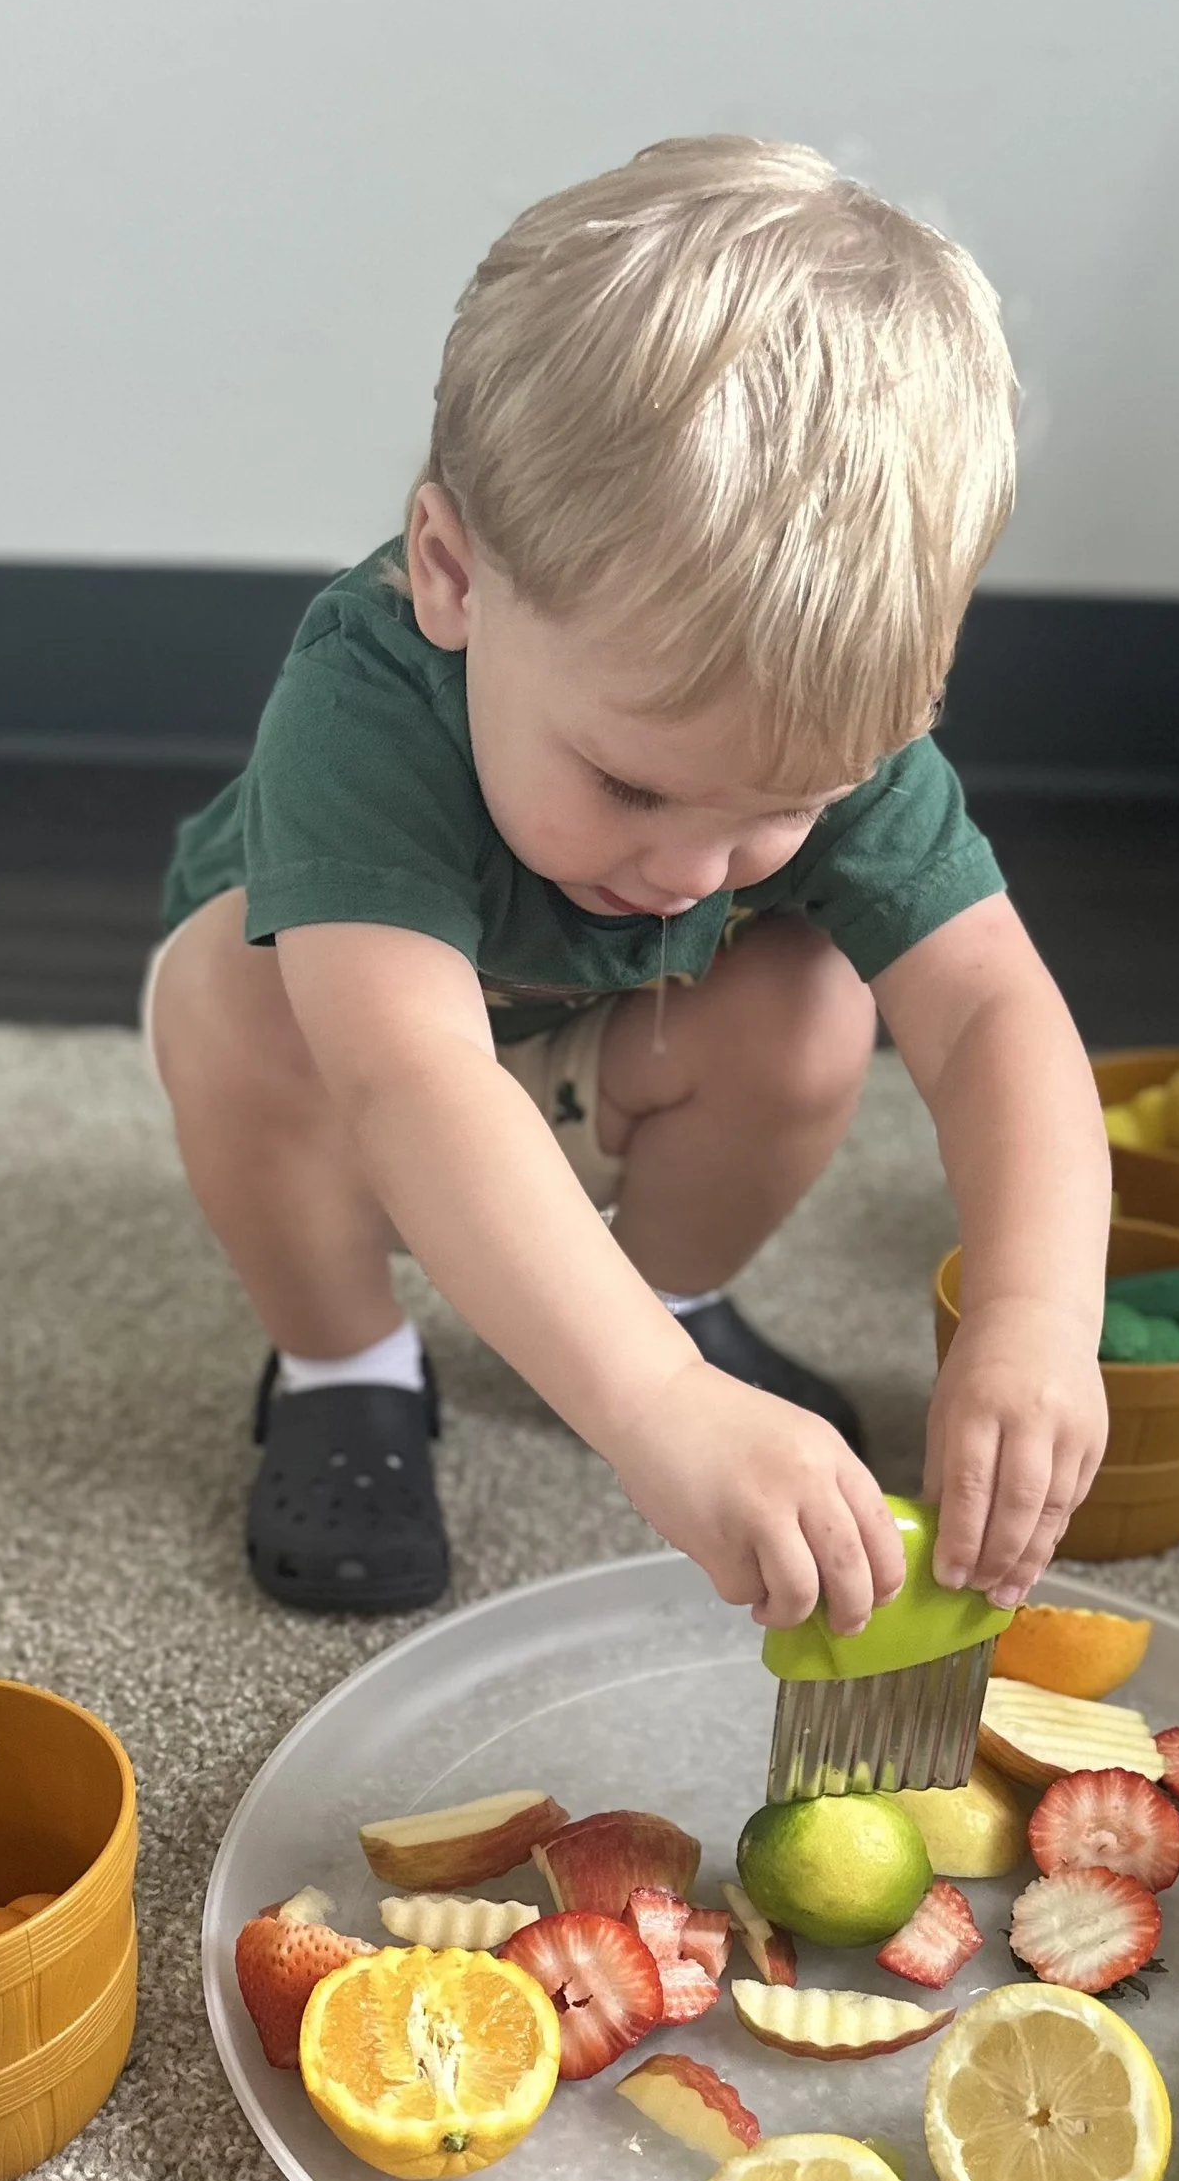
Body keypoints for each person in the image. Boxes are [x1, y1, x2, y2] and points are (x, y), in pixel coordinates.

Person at [146, 135, 1108, 1625]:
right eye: (632, 786)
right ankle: (343, 1365)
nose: (692, 866)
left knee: (808, 999)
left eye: (782, 808)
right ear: (454, 577)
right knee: (228, 984)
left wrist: (1037, 1315)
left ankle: (666, 1290)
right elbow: (417, 1086)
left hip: (622, 1064)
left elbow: (989, 1009)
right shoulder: (367, 698)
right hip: (360, 1092)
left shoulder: (817, 721)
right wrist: (654, 1411)